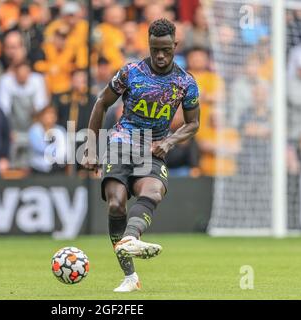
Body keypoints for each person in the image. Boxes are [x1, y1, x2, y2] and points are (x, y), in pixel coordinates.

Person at [81, 18, 200, 292]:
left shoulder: (185, 82)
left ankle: (131, 238)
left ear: (175, 46)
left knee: (154, 191)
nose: (160, 56)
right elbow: (101, 102)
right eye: (155, 49)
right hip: (121, 142)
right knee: (115, 205)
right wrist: (90, 146)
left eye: (166, 50)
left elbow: (193, 123)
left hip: (153, 147)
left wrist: (169, 142)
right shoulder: (131, 72)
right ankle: (130, 276)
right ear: (149, 45)